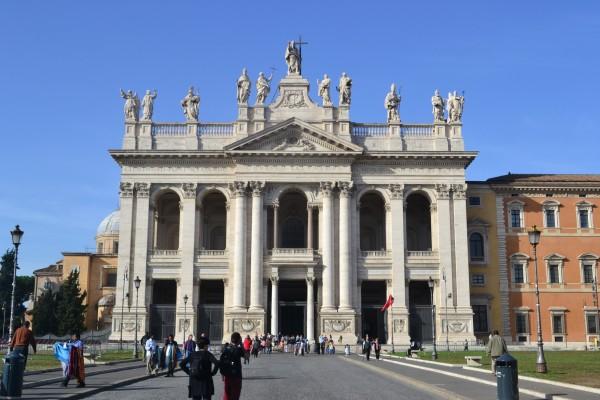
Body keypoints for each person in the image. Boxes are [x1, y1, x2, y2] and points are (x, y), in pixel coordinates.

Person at [220, 332, 245, 400]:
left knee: (227, 396)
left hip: (227, 376)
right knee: (235, 396)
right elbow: (246, 356)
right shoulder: (238, 350)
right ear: (239, 340)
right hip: (236, 376)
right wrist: (241, 345)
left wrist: (222, 375)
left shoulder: (225, 348)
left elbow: (221, 362)